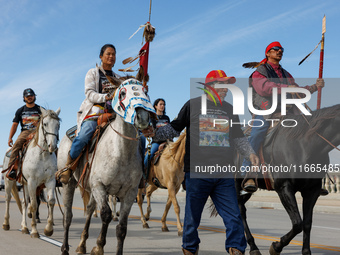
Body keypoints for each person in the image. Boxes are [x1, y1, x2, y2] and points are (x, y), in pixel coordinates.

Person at [143, 70, 259, 255]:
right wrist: (155, 134)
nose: (226, 89)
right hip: (198, 173)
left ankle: (236, 248)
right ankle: (190, 248)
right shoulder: (193, 105)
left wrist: (250, 153)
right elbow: (174, 128)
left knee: (234, 216)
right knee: (191, 218)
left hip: (223, 174)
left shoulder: (229, 109)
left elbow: (237, 137)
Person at [241, 41, 325, 193]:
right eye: (276, 49)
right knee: (256, 134)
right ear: (268, 53)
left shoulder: (286, 74)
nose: (279, 51)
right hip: (266, 111)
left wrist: (314, 87)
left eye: (281, 49)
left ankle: (313, 178)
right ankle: (248, 174)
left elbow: (297, 92)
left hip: (288, 112)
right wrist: (287, 88)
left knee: (310, 132)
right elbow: (265, 88)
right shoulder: (259, 71)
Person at [56, 44, 120, 184]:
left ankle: (138, 175)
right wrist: (106, 97)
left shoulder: (118, 78)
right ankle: (69, 167)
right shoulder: (93, 73)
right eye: (108, 54)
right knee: (83, 136)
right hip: (95, 112)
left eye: (113, 54)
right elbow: (90, 94)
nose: (111, 56)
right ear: (101, 56)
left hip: (114, 115)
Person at [6, 88, 42, 180]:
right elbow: (14, 125)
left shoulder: (40, 109)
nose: (30, 98)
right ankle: (12, 170)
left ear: (34, 96)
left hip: (39, 132)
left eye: (31, 96)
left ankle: (56, 170)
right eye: (28, 96)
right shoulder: (20, 110)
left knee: (52, 145)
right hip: (25, 132)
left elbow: (47, 122)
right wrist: (10, 138)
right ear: (24, 98)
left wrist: (38, 124)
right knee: (16, 146)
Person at [144, 98, 170, 170]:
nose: (162, 106)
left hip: (167, 142)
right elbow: (151, 132)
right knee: (148, 156)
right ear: (155, 106)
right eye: (160, 104)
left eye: (164, 104)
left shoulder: (166, 118)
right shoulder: (152, 118)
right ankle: (143, 175)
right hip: (156, 142)